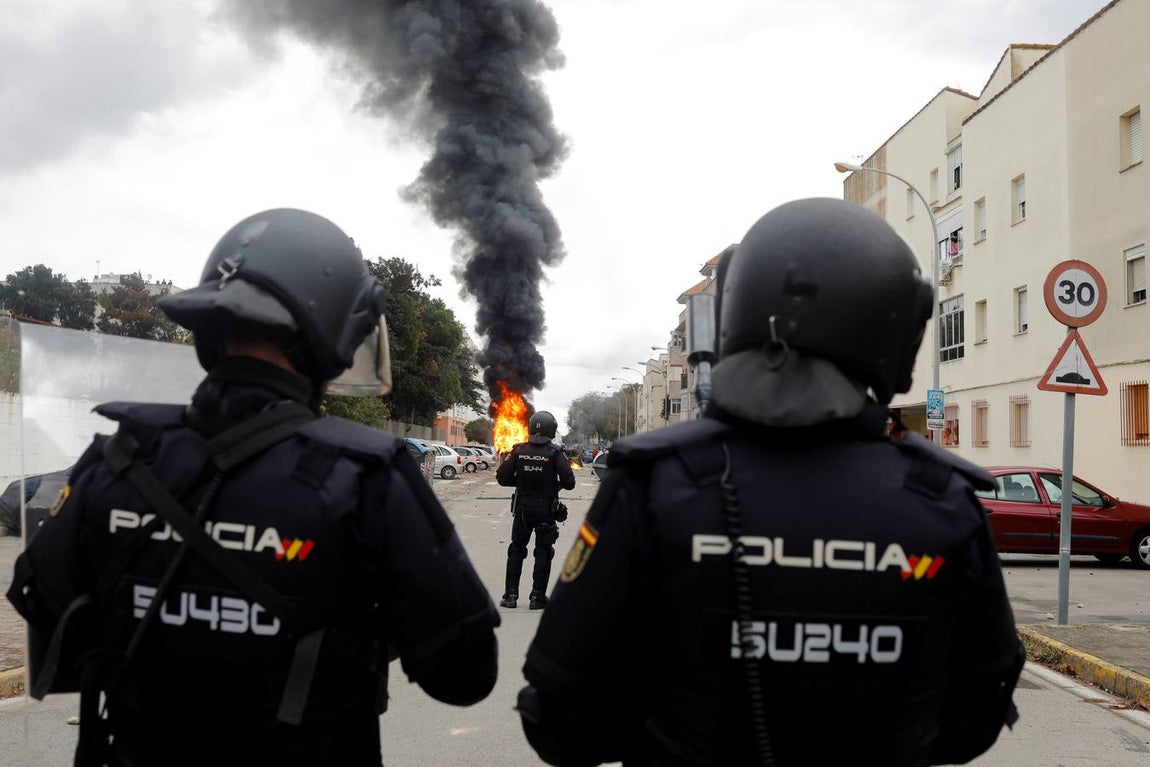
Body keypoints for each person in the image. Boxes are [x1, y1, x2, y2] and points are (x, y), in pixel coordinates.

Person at [516, 197, 1024, 766]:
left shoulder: (654, 484)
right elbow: (977, 714)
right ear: (897, 328)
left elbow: (556, 718)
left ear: (738, 311)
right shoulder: (943, 501)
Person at [7, 208, 500, 767]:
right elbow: (465, 674)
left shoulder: (119, 457)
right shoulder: (368, 477)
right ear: (335, 333)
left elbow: (43, 606)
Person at [496, 410, 576, 611]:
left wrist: (521, 481)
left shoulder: (519, 450)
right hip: (546, 512)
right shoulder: (555, 453)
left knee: (516, 550)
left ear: (531, 427)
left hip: (522, 510)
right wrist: (551, 484)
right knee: (543, 553)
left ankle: (511, 596)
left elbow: (502, 477)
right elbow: (569, 481)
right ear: (552, 429)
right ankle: (537, 597)